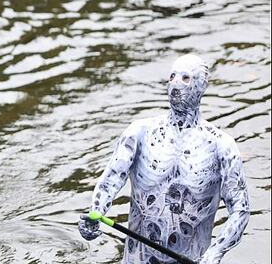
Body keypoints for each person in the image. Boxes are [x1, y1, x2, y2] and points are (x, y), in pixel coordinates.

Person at [79, 54, 250, 263]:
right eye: (172, 77)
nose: (176, 84)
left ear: (202, 85)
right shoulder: (139, 133)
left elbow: (240, 210)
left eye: (185, 78)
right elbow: (110, 180)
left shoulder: (221, 146)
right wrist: (95, 212)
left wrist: (216, 252)